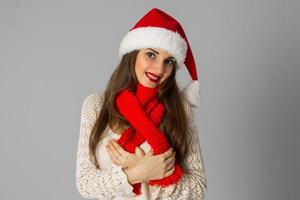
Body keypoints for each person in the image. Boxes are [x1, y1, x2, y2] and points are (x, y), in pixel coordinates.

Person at [76, 7, 207, 200]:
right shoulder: (96, 105)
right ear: (133, 53)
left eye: (169, 61)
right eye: (151, 55)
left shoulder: (179, 109)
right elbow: (85, 184)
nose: (159, 68)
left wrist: (156, 173)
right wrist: (138, 172)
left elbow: (198, 189)